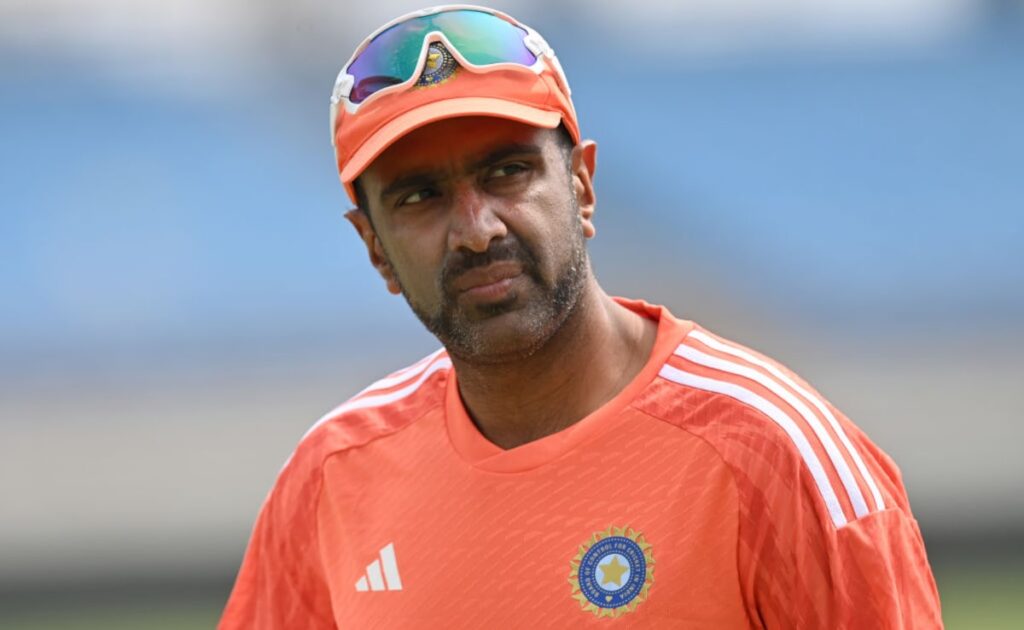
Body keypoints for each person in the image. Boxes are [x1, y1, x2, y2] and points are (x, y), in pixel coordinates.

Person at [220, 5, 942, 628]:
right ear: (374, 247)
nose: (477, 230)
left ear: (583, 186)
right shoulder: (330, 477)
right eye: (419, 197)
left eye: (508, 171)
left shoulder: (776, 451)